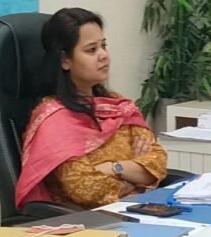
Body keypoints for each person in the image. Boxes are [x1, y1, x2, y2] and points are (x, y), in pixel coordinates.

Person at [14, 8, 167, 210]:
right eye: (91, 50)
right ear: (65, 60)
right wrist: (136, 174)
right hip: (90, 220)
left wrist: (114, 168)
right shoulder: (54, 121)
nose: (103, 55)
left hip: (140, 208)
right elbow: (85, 188)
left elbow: (158, 162)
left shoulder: (116, 105)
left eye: (104, 46)